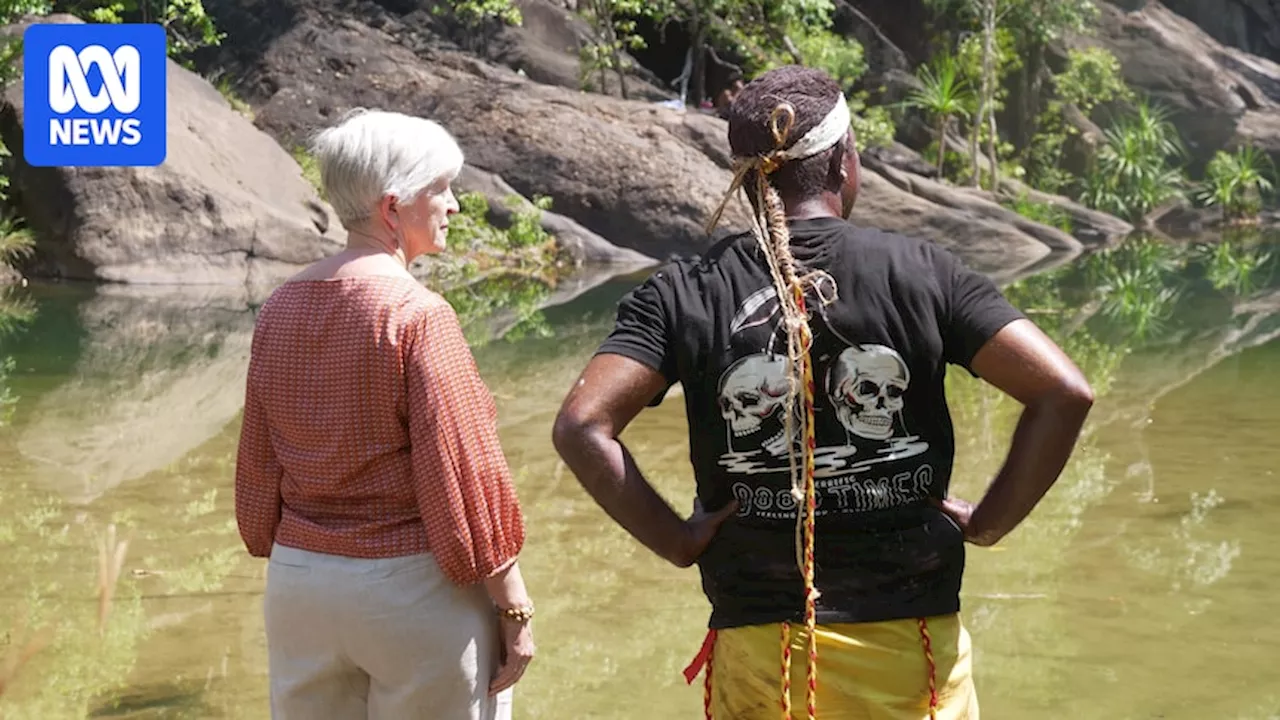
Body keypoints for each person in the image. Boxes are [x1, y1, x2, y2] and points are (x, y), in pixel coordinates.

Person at [551, 66, 1094, 719]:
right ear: (842, 163)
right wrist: (991, 523)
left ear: (746, 177)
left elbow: (583, 426)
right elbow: (1062, 392)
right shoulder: (924, 273)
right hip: (907, 645)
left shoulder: (684, 290)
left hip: (761, 650)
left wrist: (675, 539)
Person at [234, 108, 535, 720]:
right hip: (411, 592)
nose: (453, 206)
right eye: (441, 189)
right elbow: (465, 479)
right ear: (392, 208)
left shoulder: (279, 309)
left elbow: (257, 475)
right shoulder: (417, 315)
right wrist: (514, 608)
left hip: (299, 588)